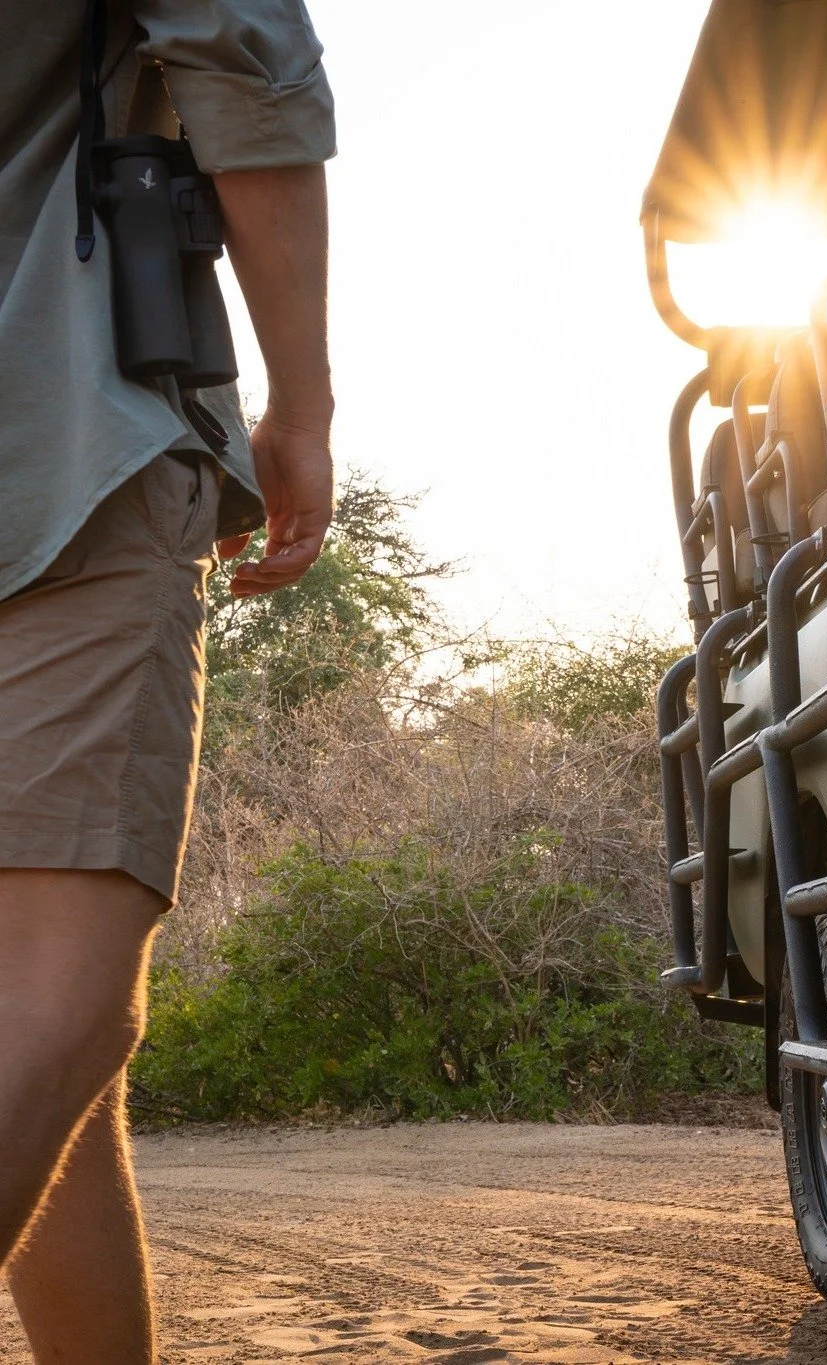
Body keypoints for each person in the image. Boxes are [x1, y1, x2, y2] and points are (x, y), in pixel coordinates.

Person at [0, 1, 335, 1358]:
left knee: (48, 1065)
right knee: (59, 1000)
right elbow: (242, 57)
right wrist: (301, 406)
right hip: (59, 433)